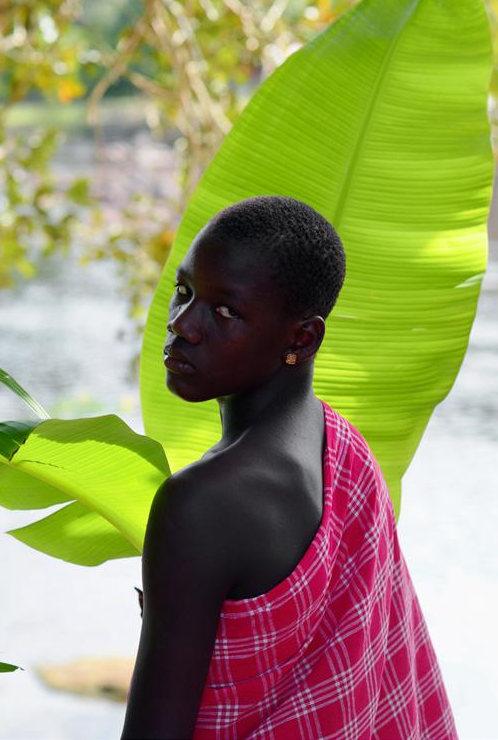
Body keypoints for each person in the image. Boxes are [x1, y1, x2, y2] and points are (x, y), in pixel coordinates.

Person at [120, 195, 457, 739]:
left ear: (302, 338)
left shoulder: (203, 503)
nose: (184, 325)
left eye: (225, 311)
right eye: (184, 292)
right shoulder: (343, 445)